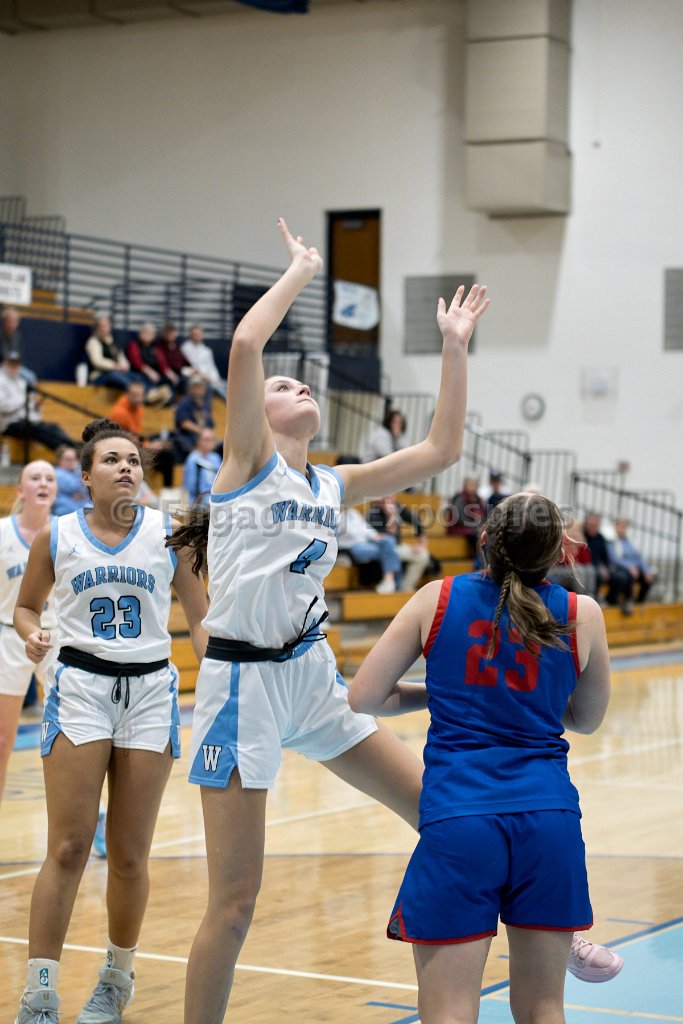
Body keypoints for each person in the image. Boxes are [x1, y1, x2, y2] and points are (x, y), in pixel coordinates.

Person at [165, 219, 616, 1024]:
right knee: (234, 905)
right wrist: (302, 269)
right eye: (283, 386)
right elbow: (245, 343)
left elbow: (440, 450)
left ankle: (555, 925)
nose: (298, 388)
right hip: (240, 688)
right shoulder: (246, 465)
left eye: (304, 385)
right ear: (253, 413)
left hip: (309, 676)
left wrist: (454, 346)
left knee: (440, 809)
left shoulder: (332, 484)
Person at [349, 492, 623, 1024]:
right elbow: (586, 718)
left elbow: (363, 698)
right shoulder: (582, 613)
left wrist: (447, 690)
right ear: (559, 553)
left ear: (483, 542)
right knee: (543, 1009)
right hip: (549, 822)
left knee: (450, 1013)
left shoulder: (437, 598)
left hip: (461, 822)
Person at [12, 418, 209, 1024]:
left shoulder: (171, 534)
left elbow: (201, 621)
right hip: (81, 688)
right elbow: (25, 607)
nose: (126, 467)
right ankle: (39, 994)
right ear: (86, 476)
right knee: (69, 846)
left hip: (151, 692)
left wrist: (226, 688)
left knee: (128, 855)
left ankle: (116, 982)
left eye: (133, 460)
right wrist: (31, 634)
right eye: (111, 460)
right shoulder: (57, 535)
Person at [0, 461, 57, 805]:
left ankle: (87, 810)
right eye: (35, 478)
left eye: (50, 478)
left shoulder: (65, 532)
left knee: (70, 732)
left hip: (56, 637)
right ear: (21, 490)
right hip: (9, 636)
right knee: (2, 739)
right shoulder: (2, 533)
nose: (43, 483)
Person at [0, 350, 75, 452]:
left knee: (52, 427)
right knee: (36, 429)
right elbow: (3, 406)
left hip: (28, 420)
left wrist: (35, 405)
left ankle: (71, 446)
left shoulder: (21, 381)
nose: (14, 367)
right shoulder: (1, 380)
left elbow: (28, 405)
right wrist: (25, 400)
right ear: (4, 364)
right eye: (11, 364)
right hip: (9, 424)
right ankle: (66, 450)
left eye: (16, 364)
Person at [109, 380, 175, 488]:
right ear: (128, 395)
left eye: (140, 395)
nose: (139, 399)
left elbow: (137, 434)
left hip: (136, 446)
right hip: (124, 450)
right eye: (135, 395)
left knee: (168, 453)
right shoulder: (120, 412)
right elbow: (127, 440)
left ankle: (167, 491)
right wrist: (149, 446)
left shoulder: (138, 407)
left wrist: (150, 444)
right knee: (166, 457)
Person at [367, 494, 431, 591]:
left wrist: (421, 545)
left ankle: (406, 587)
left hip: (398, 547)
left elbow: (417, 521)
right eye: (387, 497)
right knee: (392, 550)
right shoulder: (373, 514)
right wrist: (391, 515)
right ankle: (393, 585)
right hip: (383, 549)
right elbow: (389, 538)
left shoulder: (398, 507)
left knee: (423, 555)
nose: (390, 501)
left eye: (392, 496)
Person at [337, 504, 404, 594]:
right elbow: (352, 533)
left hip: (365, 542)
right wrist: (371, 536)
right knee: (391, 551)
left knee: (389, 540)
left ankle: (389, 581)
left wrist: (375, 535)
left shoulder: (354, 512)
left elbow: (365, 527)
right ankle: (395, 584)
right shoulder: (337, 514)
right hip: (351, 547)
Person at [85, 315, 146, 393]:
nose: (103, 329)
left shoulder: (114, 342)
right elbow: (97, 361)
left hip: (117, 372)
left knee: (136, 376)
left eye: (106, 326)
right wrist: (114, 366)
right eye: (101, 326)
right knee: (115, 375)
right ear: (96, 328)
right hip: (99, 376)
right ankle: (136, 392)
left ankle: (150, 392)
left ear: (110, 327)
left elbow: (121, 357)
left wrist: (125, 366)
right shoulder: (93, 341)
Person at [607, 518, 656, 613]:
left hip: (634, 570)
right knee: (626, 575)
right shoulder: (611, 540)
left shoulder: (630, 541)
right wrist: (629, 566)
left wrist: (646, 570)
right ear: (615, 527)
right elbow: (614, 559)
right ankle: (628, 599)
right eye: (621, 527)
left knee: (650, 577)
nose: (623, 530)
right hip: (619, 569)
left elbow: (639, 557)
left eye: (625, 527)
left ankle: (640, 602)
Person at [582, 513, 629, 607]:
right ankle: (594, 601)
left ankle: (611, 601)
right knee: (596, 574)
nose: (593, 527)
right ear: (586, 524)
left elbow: (605, 557)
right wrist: (600, 567)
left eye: (595, 525)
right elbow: (585, 558)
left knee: (620, 577)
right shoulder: (582, 537)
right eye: (591, 525)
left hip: (602, 567)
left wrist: (606, 568)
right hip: (589, 566)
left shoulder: (600, 538)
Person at [124, 323, 174, 403]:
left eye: (150, 333)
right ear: (140, 334)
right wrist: (148, 371)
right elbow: (136, 361)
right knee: (138, 378)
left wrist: (168, 372)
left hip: (156, 375)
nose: (147, 335)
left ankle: (167, 400)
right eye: (145, 332)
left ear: (154, 336)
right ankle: (150, 396)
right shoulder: (134, 344)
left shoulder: (156, 347)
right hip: (139, 373)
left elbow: (162, 362)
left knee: (171, 379)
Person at [173, 375, 215, 462]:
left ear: (204, 389)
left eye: (200, 387)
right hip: (187, 437)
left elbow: (210, 424)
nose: (197, 391)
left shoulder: (206, 404)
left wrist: (208, 435)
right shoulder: (184, 403)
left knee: (221, 447)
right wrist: (202, 431)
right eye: (195, 387)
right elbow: (184, 423)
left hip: (203, 438)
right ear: (190, 389)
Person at [181, 323, 226, 401]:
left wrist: (215, 379)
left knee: (227, 385)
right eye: (194, 334)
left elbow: (212, 367)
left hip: (210, 378)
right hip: (196, 377)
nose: (196, 336)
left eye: (198, 334)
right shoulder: (185, 348)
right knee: (211, 387)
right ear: (190, 335)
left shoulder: (207, 350)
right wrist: (206, 377)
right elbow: (192, 366)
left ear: (202, 335)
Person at [445, 476, 486, 556]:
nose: (472, 487)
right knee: (475, 534)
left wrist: (481, 525)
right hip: (458, 527)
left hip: (473, 527)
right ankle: (478, 557)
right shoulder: (460, 498)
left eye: (473, 485)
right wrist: (474, 526)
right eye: (470, 485)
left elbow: (482, 515)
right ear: (465, 486)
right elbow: (460, 518)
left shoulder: (478, 499)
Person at [183, 428, 221, 505]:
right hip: (197, 500)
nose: (209, 442)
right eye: (206, 439)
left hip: (213, 498)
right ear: (199, 441)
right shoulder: (193, 459)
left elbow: (219, 481)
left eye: (212, 440)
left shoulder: (216, 458)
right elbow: (190, 486)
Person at [52, 445, 89, 516]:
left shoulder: (75, 472)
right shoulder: (57, 473)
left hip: (81, 509)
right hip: (64, 510)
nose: (71, 462)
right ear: (59, 460)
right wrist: (78, 470)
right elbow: (74, 486)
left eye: (74, 459)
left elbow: (88, 486)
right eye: (67, 459)